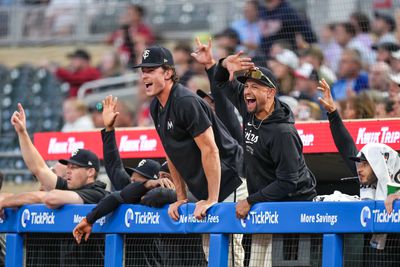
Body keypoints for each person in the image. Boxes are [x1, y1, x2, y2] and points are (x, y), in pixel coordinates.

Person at [134, 45, 246, 266]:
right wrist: (181, 197)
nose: (144, 76)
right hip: (209, 187)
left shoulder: (185, 101)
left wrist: (212, 198)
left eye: (151, 70)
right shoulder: (156, 106)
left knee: (229, 254)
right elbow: (171, 152)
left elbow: (210, 150)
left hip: (230, 180)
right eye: (143, 71)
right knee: (212, 253)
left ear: (167, 73)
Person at [214, 51, 317, 266]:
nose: (247, 91)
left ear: (270, 92)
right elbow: (221, 82)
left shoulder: (283, 133)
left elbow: (288, 182)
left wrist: (250, 200)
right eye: (246, 86)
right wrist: (223, 64)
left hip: (292, 209)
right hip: (266, 204)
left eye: (255, 87)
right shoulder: (250, 108)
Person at [318, 78, 400, 266]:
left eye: (365, 164)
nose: (359, 168)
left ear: (379, 165)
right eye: (358, 163)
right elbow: (346, 146)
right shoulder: (367, 180)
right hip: (373, 259)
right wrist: (332, 113)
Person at [8, 103, 108, 207]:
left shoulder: (97, 193)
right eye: (68, 167)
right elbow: (39, 168)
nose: (68, 171)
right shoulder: (69, 186)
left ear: (90, 172)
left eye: (73, 167)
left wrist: (6, 202)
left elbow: (51, 198)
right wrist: (22, 132)